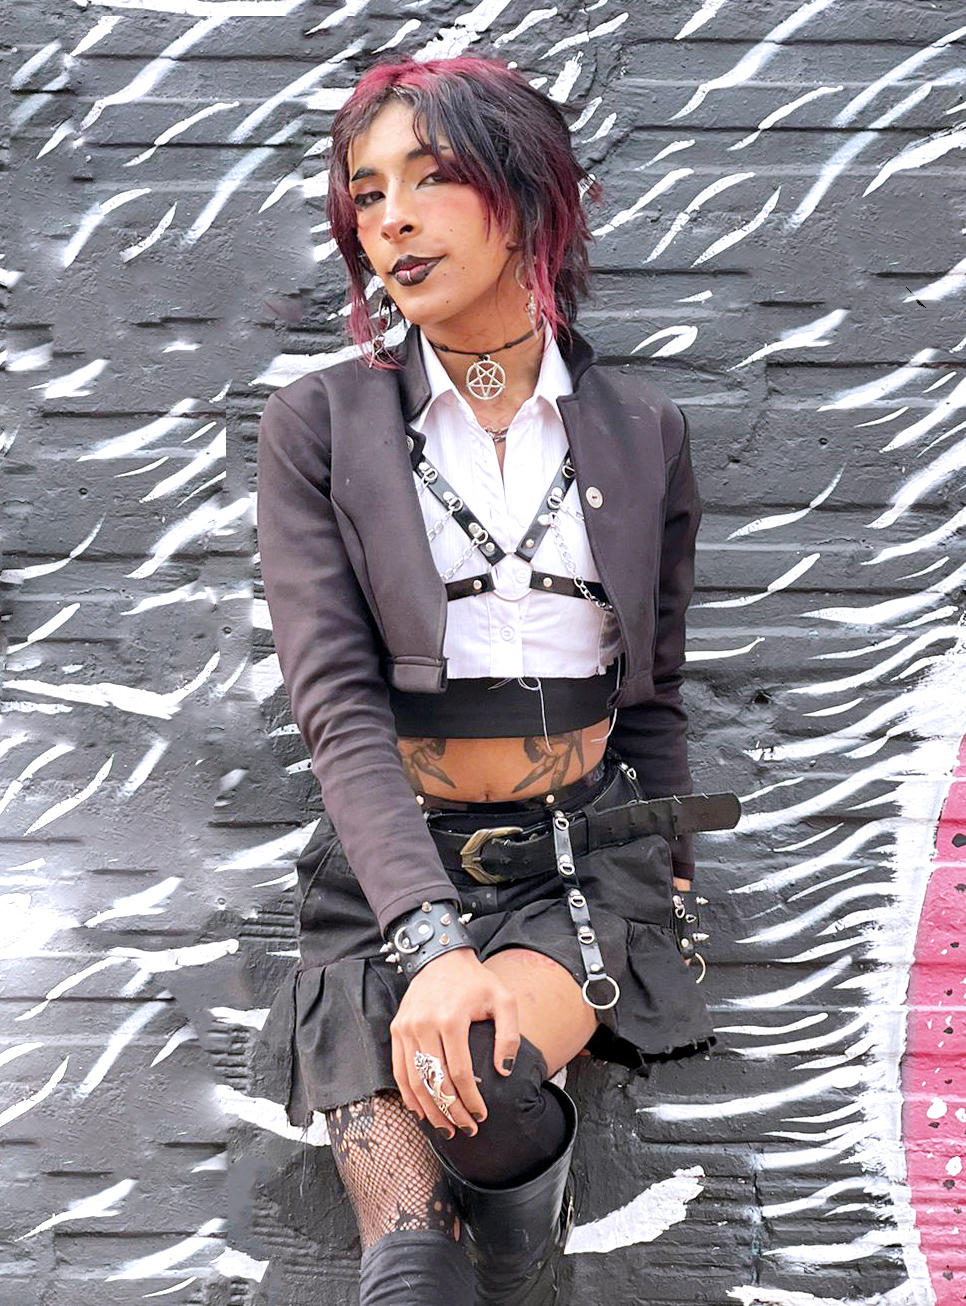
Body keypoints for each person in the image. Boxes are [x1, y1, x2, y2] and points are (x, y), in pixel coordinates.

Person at [255, 54, 737, 1306]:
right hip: (387, 869)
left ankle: (518, 1250)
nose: (392, 220)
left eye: (430, 178)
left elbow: (654, 685)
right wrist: (424, 937)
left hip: (570, 859)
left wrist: (670, 865)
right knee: (410, 1265)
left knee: (477, 1066)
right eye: (367, 193)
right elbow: (335, 704)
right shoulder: (320, 425)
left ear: (523, 198)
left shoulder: (641, 429)